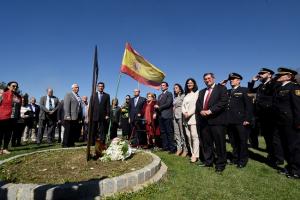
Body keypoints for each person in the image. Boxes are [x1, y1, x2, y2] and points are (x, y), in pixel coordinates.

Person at [248, 68, 284, 166]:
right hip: (262, 115)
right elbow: (250, 90)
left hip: (271, 114)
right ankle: (271, 155)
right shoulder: (261, 86)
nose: (260, 75)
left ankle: (279, 158)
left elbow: (274, 97)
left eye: (262, 73)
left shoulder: (274, 83)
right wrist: (252, 81)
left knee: (275, 138)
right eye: (260, 73)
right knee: (267, 137)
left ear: (269, 74)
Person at [196, 73, 228, 173]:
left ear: (213, 78)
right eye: (205, 79)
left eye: (209, 78)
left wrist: (210, 111)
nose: (207, 80)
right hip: (204, 121)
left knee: (219, 144)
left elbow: (223, 102)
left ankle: (220, 164)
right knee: (206, 143)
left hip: (217, 121)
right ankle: (208, 161)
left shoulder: (221, 88)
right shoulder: (202, 92)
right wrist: (201, 110)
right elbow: (198, 104)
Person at [273, 67, 300, 179]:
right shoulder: (279, 88)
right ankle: (289, 167)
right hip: (280, 122)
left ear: (289, 76)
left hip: (290, 122)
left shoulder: (294, 87)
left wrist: (298, 122)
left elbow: (297, 107)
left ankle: (297, 170)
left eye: (281, 75)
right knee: (285, 146)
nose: (278, 76)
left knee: (294, 147)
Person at [225, 73, 253, 168]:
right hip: (229, 121)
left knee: (242, 141)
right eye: (230, 79)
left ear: (239, 80)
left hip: (241, 121)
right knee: (233, 142)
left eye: (233, 79)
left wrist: (247, 119)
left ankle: (242, 160)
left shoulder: (244, 90)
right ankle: (235, 158)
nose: (231, 80)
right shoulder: (228, 91)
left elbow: (249, 106)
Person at [0, 81, 22, 154]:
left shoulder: (18, 97)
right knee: (1, 133)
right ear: (8, 86)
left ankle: (5, 148)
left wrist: (18, 116)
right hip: (3, 116)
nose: (15, 87)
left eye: (16, 86)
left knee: (8, 133)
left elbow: (19, 107)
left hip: (13, 118)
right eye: (13, 86)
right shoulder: (3, 94)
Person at [155, 82, 176, 153]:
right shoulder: (159, 95)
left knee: (169, 132)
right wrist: (156, 110)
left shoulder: (169, 94)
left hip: (167, 115)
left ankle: (172, 148)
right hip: (160, 116)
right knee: (163, 132)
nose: (162, 87)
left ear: (167, 87)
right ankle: (165, 147)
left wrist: (159, 107)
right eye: (161, 86)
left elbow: (168, 103)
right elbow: (157, 104)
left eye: (163, 85)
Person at [182, 79, 199, 162]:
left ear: (194, 84)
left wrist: (188, 113)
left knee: (194, 136)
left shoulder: (197, 93)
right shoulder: (186, 95)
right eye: (188, 83)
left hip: (193, 118)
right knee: (189, 137)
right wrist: (184, 112)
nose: (189, 84)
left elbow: (196, 106)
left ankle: (196, 155)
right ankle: (192, 153)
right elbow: (183, 106)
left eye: (191, 83)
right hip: (185, 118)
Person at [173, 83, 188, 157]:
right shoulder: (175, 97)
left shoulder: (183, 96)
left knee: (182, 134)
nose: (174, 89)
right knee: (177, 134)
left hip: (181, 116)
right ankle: (179, 149)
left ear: (180, 89)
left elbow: (184, 106)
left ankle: (185, 150)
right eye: (174, 88)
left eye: (176, 88)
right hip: (174, 117)